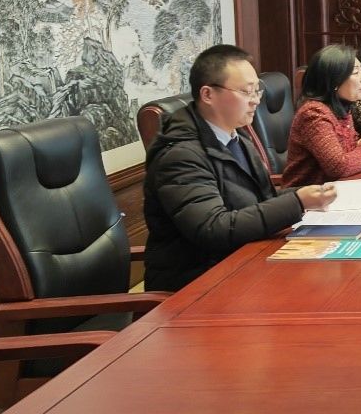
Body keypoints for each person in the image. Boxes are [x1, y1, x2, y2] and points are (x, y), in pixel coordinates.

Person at [143, 44, 335, 292]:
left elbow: (258, 199)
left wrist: (305, 195)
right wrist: (296, 202)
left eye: (257, 91)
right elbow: (213, 228)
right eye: (246, 91)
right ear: (208, 94)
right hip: (198, 283)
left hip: (243, 260)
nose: (256, 100)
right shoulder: (180, 155)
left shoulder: (235, 136)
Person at [282, 45, 361, 186]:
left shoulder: (341, 107)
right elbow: (338, 167)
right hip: (308, 195)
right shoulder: (313, 113)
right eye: (356, 73)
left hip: (337, 189)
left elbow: (348, 155)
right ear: (335, 80)